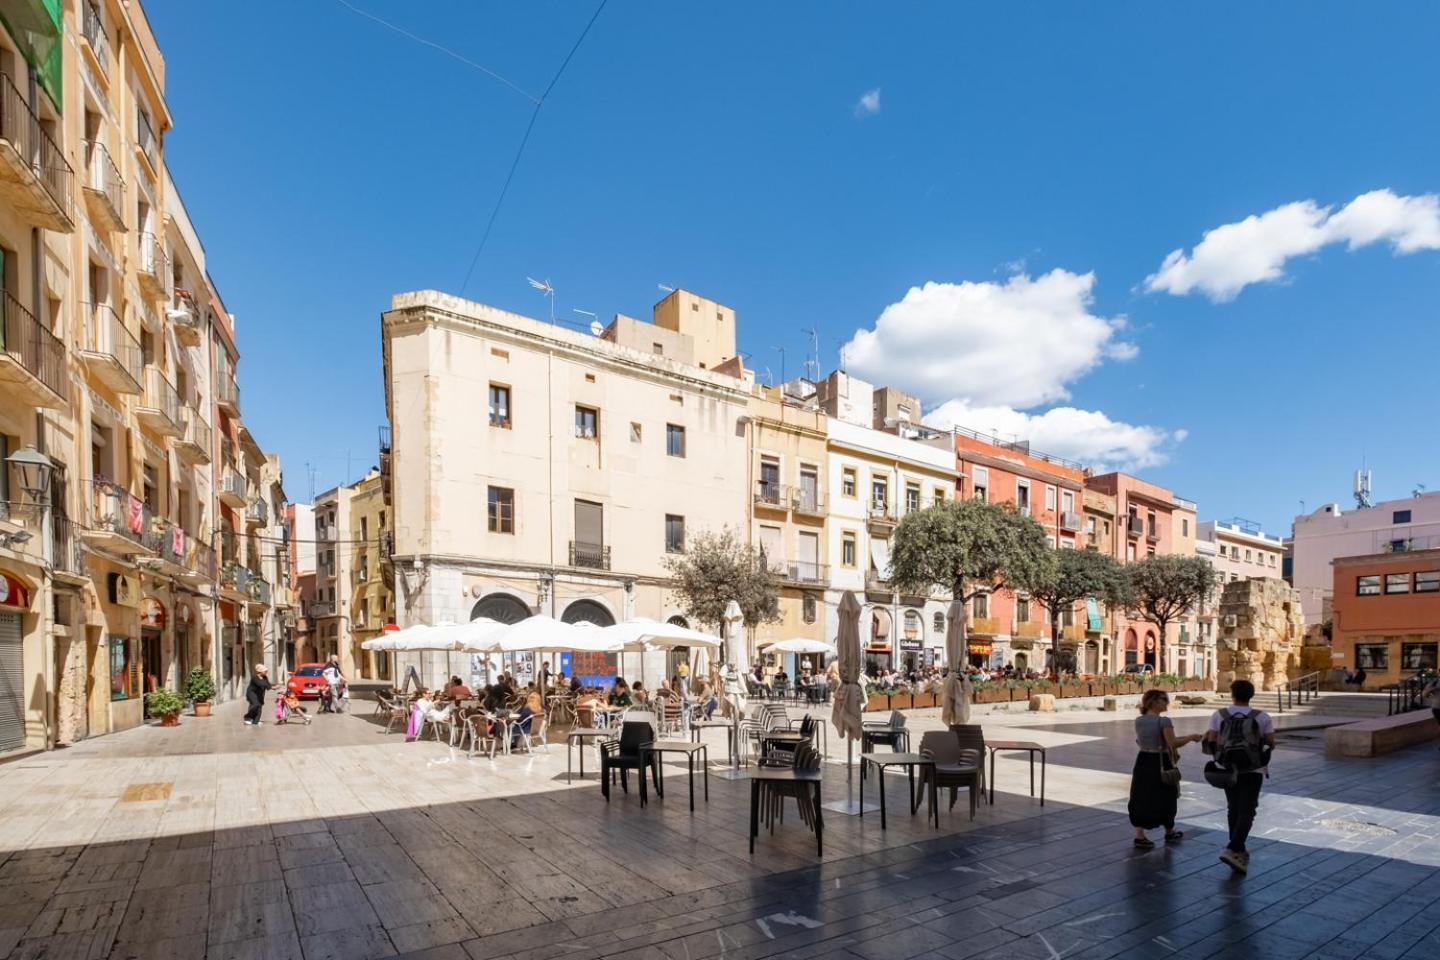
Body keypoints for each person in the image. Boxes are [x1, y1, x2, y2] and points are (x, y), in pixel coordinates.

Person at [1204, 679, 1276, 874]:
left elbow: (1211, 740)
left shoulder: (1219, 715)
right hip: (1253, 770)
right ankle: (1234, 848)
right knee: (1248, 810)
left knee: (1233, 808)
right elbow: (1270, 742)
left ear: (1232, 693)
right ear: (1251, 695)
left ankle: (1238, 850)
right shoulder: (1262, 717)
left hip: (1228, 768)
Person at [1128, 689, 1202, 848]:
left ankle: (1139, 835)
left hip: (1143, 760)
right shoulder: (1164, 721)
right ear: (1153, 702)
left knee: (1141, 795)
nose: (1167, 702)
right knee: (1167, 795)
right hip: (1160, 761)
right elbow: (1173, 743)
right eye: (1164, 699)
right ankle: (1169, 831)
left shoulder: (1139, 720)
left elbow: (1142, 741)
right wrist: (1190, 737)